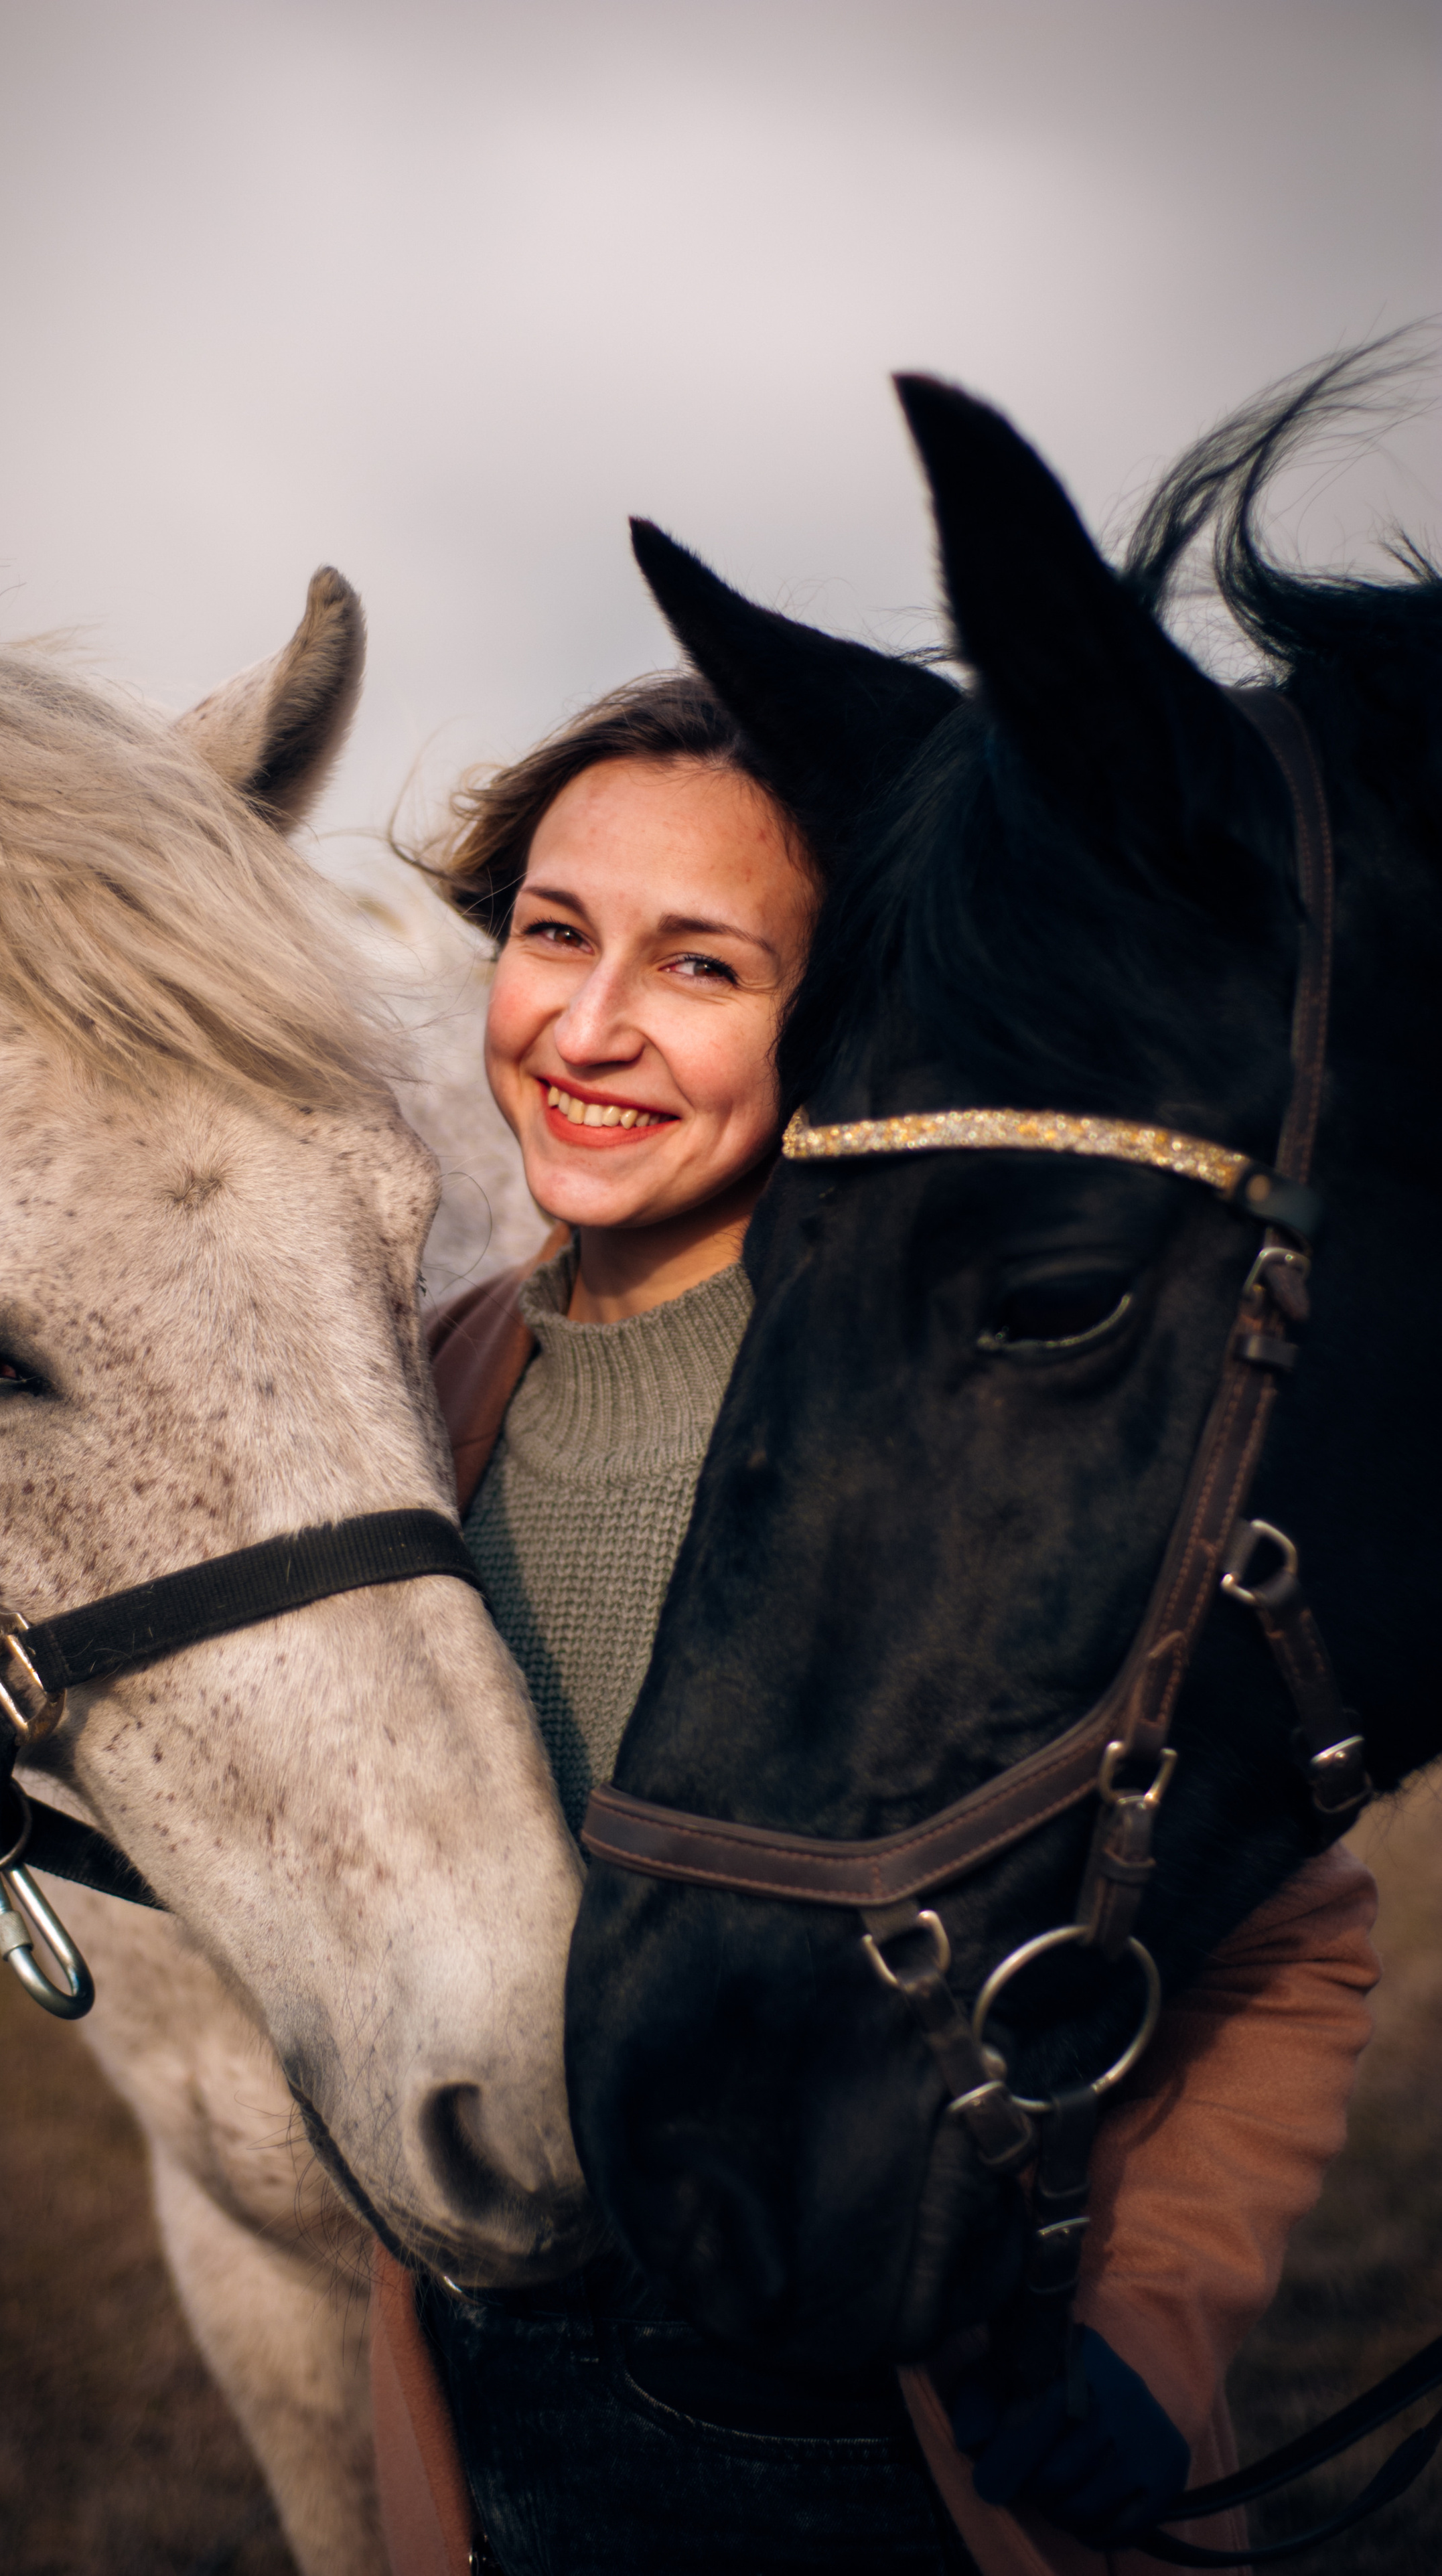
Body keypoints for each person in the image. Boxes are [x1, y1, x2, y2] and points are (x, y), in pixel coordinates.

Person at [368, 673, 1379, 2576]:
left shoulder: (979, 1416)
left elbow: (1284, 1952)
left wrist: (1148, 2351)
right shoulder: (423, 1398)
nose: (589, 1027)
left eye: (701, 968)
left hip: (910, 2447)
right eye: (554, 933)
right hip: (504, 2424)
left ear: (841, 1013)